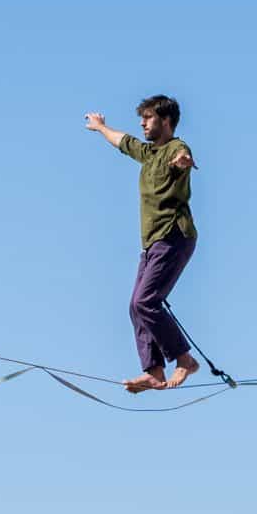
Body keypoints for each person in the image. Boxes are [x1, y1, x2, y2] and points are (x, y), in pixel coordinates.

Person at [82, 95, 199, 392]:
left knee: (146, 302)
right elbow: (123, 141)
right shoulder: (148, 154)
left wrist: (183, 162)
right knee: (136, 307)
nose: (143, 123)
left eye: (148, 118)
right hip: (152, 245)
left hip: (173, 236)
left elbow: (183, 158)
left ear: (166, 121)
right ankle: (155, 371)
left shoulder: (175, 148)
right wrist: (100, 127)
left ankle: (185, 359)